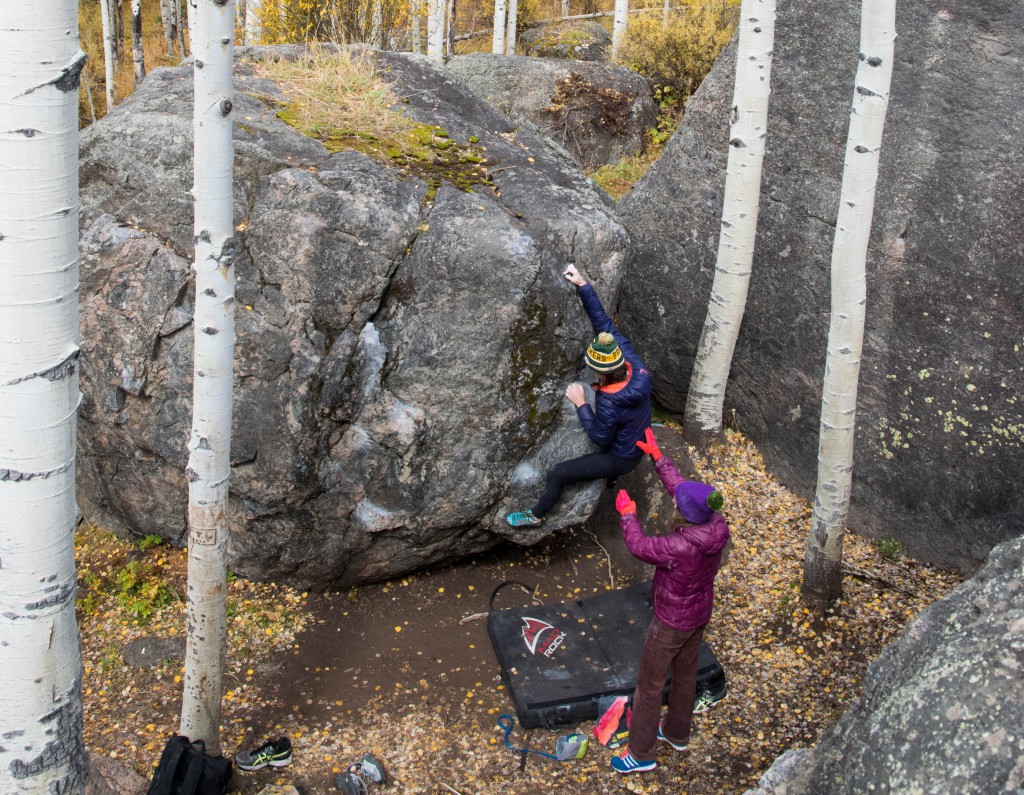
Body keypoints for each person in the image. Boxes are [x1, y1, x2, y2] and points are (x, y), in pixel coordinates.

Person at [609, 427, 729, 774]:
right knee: (686, 672)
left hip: (671, 620)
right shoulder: (716, 524)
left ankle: (641, 753)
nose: (675, 498)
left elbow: (640, 547)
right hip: (699, 612)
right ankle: (677, 733)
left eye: (679, 502)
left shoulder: (679, 547)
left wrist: (628, 515)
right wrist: (657, 455)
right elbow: (682, 488)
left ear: (685, 513)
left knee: (649, 685)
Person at [505, 265, 653, 528]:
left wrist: (582, 404)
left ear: (603, 372)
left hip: (622, 457)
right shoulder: (633, 363)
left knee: (559, 473)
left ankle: (534, 516)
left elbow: (600, 436)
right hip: (638, 438)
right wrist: (583, 284)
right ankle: (609, 480)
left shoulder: (611, 400)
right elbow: (604, 324)